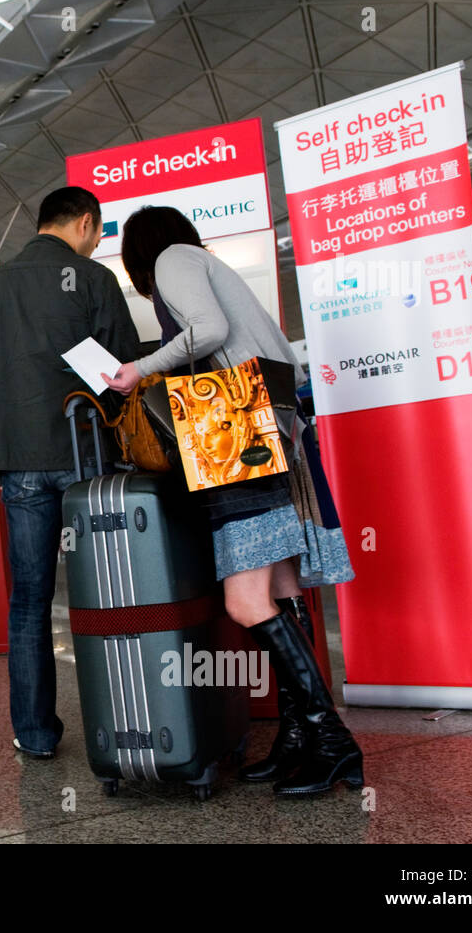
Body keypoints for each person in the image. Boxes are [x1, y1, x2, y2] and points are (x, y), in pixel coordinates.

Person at [104, 205, 360, 797]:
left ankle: (333, 741)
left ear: (140, 251)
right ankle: (300, 737)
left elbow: (207, 331)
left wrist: (137, 369)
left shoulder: (171, 258)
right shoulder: (204, 260)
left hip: (238, 433)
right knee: (281, 590)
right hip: (276, 424)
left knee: (245, 603)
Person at [0, 186, 141, 760]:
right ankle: (124, 727)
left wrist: (9, 443)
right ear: (86, 224)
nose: (96, 244)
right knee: (111, 594)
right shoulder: (92, 280)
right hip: (85, 457)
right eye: (97, 234)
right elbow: (121, 374)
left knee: (29, 601)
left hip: (19, 462)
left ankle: (37, 734)